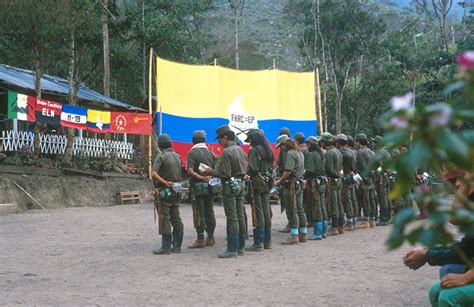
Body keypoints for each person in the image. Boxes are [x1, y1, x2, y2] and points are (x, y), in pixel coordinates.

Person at [203, 125, 247, 258]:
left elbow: (225, 174)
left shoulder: (227, 152)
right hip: (240, 184)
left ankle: (232, 249)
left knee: (232, 217)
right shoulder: (240, 150)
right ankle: (241, 247)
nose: (218, 143)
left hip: (229, 186)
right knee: (240, 216)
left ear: (225, 137)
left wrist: (211, 171)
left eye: (219, 139)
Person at [151, 134, 184, 255]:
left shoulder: (161, 156)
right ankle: (177, 246)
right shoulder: (178, 157)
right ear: (171, 144)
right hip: (176, 191)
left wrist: (165, 182)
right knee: (176, 218)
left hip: (164, 191)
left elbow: (153, 174)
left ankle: (166, 247)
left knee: (165, 219)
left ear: (160, 145)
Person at [274, 135, 308, 244]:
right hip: (299, 183)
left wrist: (279, 181)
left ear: (285, 144)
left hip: (292, 185)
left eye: (281, 146)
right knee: (300, 209)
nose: (281, 149)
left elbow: (288, 171)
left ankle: (294, 236)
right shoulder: (300, 153)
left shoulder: (290, 153)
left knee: (292, 210)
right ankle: (303, 234)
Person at [245, 129, 274, 251]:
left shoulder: (255, 150)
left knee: (258, 212)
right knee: (266, 210)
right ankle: (267, 241)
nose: (249, 142)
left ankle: (258, 243)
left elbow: (253, 168)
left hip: (257, 183)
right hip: (267, 182)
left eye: (250, 139)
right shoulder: (268, 150)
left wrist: (247, 174)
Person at [186, 130, 217, 248]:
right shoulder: (210, 153)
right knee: (210, 211)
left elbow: (190, 170)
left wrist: (200, 178)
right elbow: (213, 169)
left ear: (193, 141)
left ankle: (200, 239)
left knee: (200, 212)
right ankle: (211, 237)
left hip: (198, 186)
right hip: (210, 186)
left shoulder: (192, 153)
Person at [305, 136, 328, 240]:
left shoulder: (311, 155)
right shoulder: (322, 154)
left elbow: (310, 170)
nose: (306, 146)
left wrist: (304, 176)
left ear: (311, 145)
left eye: (307, 144)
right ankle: (324, 231)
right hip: (323, 181)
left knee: (316, 207)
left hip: (315, 182)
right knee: (323, 206)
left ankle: (318, 233)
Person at [320, 132, 344, 235]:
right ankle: (340, 226)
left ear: (324, 142)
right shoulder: (338, 151)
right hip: (338, 180)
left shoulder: (329, 153)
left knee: (333, 203)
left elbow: (329, 169)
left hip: (333, 180)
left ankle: (334, 227)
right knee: (339, 203)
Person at [335, 134, 357, 231]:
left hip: (344, 177)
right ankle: (353, 220)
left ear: (338, 142)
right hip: (351, 176)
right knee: (352, 199)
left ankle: (349, 221)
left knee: (346, 199)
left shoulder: (340, 152)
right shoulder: (351, 151)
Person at [355, 133, 377, 228]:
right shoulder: (372, 152)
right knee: (372, 199)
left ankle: (366, 220)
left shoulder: (360, 152)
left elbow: (362, 166)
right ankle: (372, 220)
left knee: (365, 200)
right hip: (372, 178)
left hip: (364, 178)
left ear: (359, 142)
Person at [373, 135, 391, 226]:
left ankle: (384, 219)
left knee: (382, 198)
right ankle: (387, 217)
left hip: (382, 177)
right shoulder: (386, 152)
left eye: (374, 142)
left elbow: (380, 164)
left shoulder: (379, 152)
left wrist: (379, 179)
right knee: (386, 197)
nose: (373, 144)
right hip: (387, 176)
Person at [277, 127, 291, 233]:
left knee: (288, 202)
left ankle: (291, 224)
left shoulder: (286, 151)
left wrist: (280, 179)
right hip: (288, 179)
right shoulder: (292, 149)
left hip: (287, 180)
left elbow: (286, 167)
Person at [295, 132, 311, 226]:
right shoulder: (305, 149)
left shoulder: (300, 150)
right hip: (306, 177)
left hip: (302, 177)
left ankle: (305, 222)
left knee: (303, 203)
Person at [347, 135, 360, 224]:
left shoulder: (347, 152)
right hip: (355, 176)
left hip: (349, 176)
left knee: (349, 198)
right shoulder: (356, 152)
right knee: (354, 198)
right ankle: (356, 216)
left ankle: (351, 219)